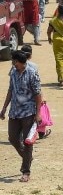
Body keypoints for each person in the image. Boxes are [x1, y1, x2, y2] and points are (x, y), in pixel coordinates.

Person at [0, 50, 42, 183]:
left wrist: (38, 113)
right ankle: (27, 157)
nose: (13, 63)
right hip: (14, 111)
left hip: (28, 113)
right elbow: (10, 90)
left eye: (15, 61)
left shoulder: (32, 73)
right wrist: (4, 108)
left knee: (27, 141)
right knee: (12, 138)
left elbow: (38, 94)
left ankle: (26, 171)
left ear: (20, 62)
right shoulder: (13, 72)